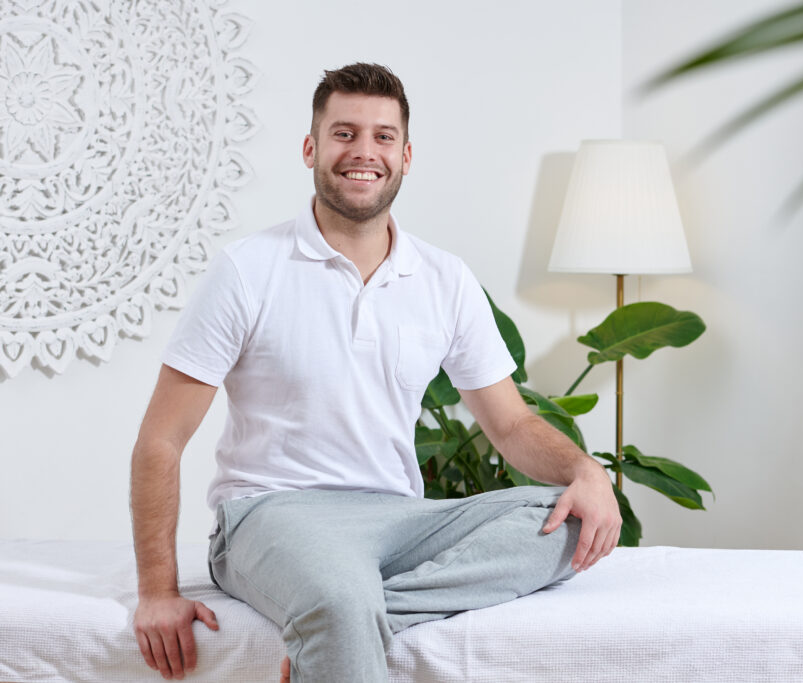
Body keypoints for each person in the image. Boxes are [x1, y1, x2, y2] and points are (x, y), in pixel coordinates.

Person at [129, 62, 621, 683]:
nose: (364, 151)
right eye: (344, 133)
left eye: (383, 137)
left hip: (398, 519)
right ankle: (336, 612)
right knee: (338, 598)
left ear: (405, 156)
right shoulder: (247, 271)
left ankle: (339, 621)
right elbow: (161, 440)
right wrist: (157, 592)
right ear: (310, 148)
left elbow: (512, 425)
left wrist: (586, 471)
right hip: (272, 514)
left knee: (574, 520)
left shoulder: (445, 279)